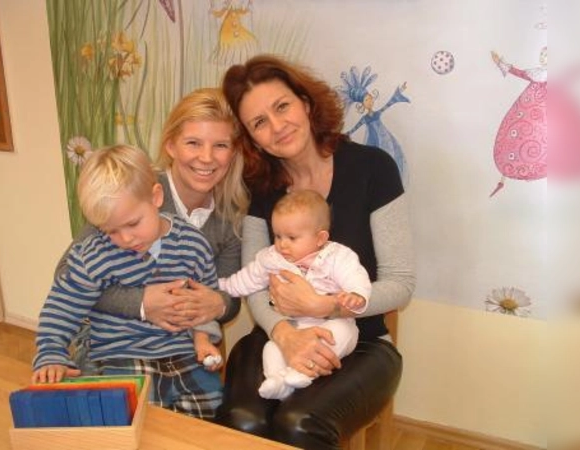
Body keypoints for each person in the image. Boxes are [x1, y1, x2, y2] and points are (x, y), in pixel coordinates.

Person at [215, 54, 416, 449]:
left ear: (305, 103)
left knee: (298, 424)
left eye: (282, 106)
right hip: (277, 332)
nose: (276, 126)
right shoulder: (262, 187)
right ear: (251, 136)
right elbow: (256, 283)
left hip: (363, 342)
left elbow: (401, 284)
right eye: (259, 122)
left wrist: (327, 307)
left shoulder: (372, 168)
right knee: (244, 421)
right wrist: (285, 334)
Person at [57, 88, 249, 372]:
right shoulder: (135, 191)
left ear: (233, 152)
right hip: (113, 339)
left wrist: (218, 304)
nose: (206, 157)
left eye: (220, 145)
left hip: (182, 343)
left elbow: (228, 297)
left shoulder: (230, 215)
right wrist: (142, 303)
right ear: (171, 145)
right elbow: (66, 275)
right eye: (193, 143)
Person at [33, 145, 224, 418]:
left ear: (156, 197)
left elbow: (205, 299)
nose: (125, 239)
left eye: (133, 223)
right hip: (120, 354)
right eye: (111, 231)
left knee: (210, 405)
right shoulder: (93, 254)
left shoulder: (193, 245)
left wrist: (203, 338)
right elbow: (62, 307)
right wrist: (50, 352)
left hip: (182, 353)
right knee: (137, 414)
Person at [218, 189, 371, 400]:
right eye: (278, 236)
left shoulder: (337, 256)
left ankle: (300, 372)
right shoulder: (271, 258)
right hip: (294, 327)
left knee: (342, 331)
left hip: (330, 323)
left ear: (320, 238)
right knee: (272, 347)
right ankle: (277, 380)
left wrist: (356, 294)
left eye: (291, 237)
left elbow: (356, 276)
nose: (282, 244)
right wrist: (221, 286)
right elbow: (247, 279)